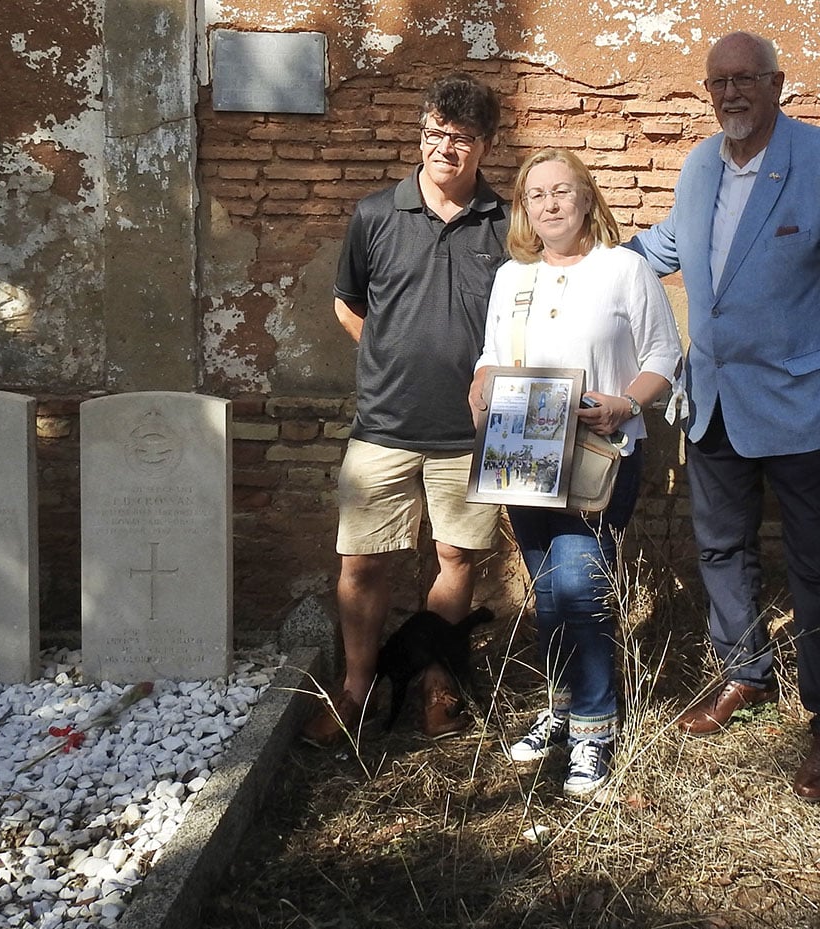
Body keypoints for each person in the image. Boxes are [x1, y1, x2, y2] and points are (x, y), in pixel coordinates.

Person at [628, 31, 820, 801]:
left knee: (814, 564)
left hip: (801, 403)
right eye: (718, 83)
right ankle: (747, 673)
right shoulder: (701, 164)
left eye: (746, 79)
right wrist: (587, 262)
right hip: (710, 401)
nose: (731, 93)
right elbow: (672, 244)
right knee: (721, 548)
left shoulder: (813, 160)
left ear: (778, 84)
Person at [300, 74, 508, 747]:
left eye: (462, 139)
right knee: (362, 560)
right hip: (384, 424)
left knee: (455, 556)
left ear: (485, 146)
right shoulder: (376, 214)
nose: (445, 149)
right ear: (421, 133)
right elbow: (345, 301)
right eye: (435, 134)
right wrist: (386, 355)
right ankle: (357, 689)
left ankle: (433, 682)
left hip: (468, 429)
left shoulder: (505, 223)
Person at [470, 148, 682, 796]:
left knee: (582, 589)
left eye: (563, 191)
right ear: (524, 209)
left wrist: (625, 401)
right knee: (551, 593)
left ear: (587, 198)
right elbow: (490, 354)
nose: (551, 204)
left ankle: (594, 729)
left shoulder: (624, 269)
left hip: (600, 449)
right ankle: (563, 707)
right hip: (523, 451)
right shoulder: (514, 276)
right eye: (537, 195)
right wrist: (479, 387)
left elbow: (663, 354)